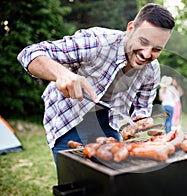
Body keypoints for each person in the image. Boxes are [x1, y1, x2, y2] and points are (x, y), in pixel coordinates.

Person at [17, 3, 175, 164]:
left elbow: (142, 107)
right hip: (69, 116)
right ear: (130, 28)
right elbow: (29, 53)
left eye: (156, 49)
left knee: (113, 175)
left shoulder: (152, 70)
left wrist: (140, 120)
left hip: (109, 122)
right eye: (143, 41)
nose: (146, 54)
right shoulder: (98, 41)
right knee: (74, 179)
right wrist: (61, 74)